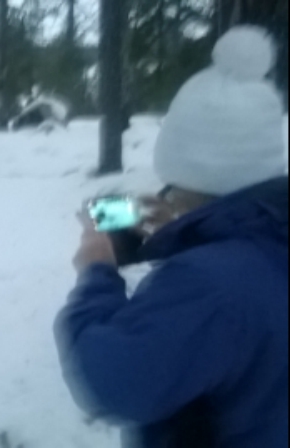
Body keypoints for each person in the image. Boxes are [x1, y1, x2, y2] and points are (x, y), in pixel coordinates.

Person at [55, 26, 288, 448]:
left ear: (194, 171)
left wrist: (95, 274)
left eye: (172, 185)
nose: (164, 196)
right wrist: (191, 233)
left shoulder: (210, 285)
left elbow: (113, 383)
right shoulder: (269, 238)